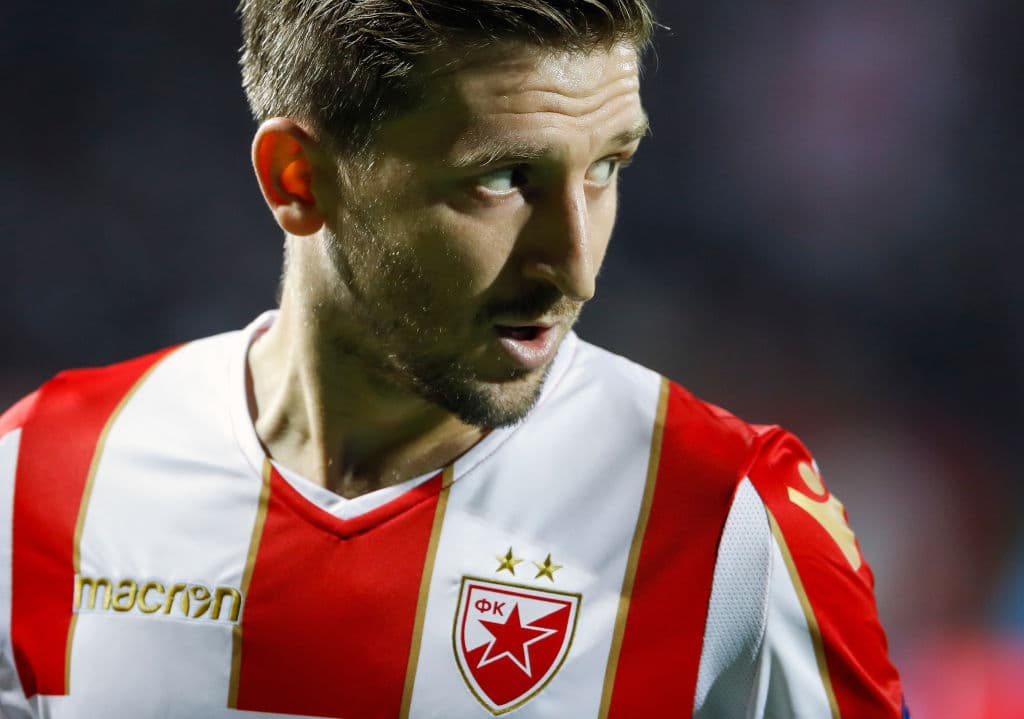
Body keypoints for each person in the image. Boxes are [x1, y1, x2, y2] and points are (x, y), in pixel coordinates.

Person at [0, 1, 909, 717]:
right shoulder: (39, 476)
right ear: (298, 180)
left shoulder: (729, 518)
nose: (577, 264)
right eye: (504, 178)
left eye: (608, 166)